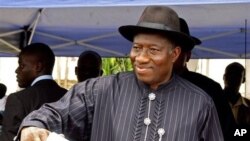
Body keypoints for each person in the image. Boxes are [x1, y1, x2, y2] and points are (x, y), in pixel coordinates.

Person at [18, 6, 223, 141]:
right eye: (136, 48)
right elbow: (57, 113)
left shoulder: (200, 103)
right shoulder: (100, 90)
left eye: (153, 50)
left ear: (174, 54)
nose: (141, 57)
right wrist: (34, 125)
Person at [174, 18, 237, 140]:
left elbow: (229, 134)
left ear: (188, 55)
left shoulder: (210, 91)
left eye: (175, 48)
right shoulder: (138, 88)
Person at [0, 43, 67, 141]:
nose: (17, 70)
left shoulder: (18, 99)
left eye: (22, 65)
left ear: (38, 67)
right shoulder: (69, 96)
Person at [223, 62, 250, 129]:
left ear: (243, 80)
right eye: (230, 74)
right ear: (224, 77)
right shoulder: (212, 102)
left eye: (237, 75)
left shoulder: (248, 106)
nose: (232, 78)